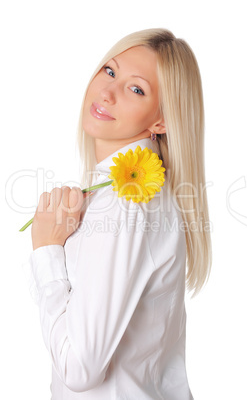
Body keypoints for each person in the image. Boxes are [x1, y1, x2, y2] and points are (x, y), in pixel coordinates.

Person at [23, 28, 212, 399]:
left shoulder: (126, 199)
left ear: (161, 121)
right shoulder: (144, 190)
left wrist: (47, 250)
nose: (107, 93)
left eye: (136, 89)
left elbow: (79, 368)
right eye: (110, 71)